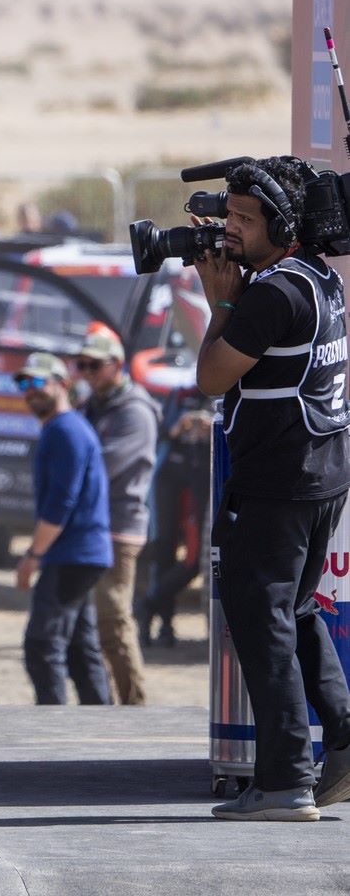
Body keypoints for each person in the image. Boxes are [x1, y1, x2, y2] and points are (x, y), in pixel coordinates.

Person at [194, 156, 350, 822]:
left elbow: (211, 378)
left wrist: (220, 304)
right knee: (298, 612)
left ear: (283, 225)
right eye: (226, 214)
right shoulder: (321, 278)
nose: (228, 231)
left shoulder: (270, 297)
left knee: (263, 622)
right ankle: (343, 735)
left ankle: (285, 779)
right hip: (323, 475)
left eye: (243, 220)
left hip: (278, 483)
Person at [13, 351, 113, 706]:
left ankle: (51, 736)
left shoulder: (65, 430)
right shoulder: (64, 429)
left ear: (63, 385)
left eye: (39, 381)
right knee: (78, 648)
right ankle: (101, 730)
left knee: (42, 647)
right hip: (81, 553)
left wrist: (32, 556)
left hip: (73, 554)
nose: (30, 389)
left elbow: (61, 503)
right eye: (24, 383)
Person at [76, 326, 157, 705]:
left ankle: (134, 704)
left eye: (94, 365)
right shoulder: (93, 406)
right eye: (82, 365)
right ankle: (105, 703)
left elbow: (97, 467)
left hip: (119, 528)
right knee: (91, 624)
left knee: (113, 619)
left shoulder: (135, 412)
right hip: (93, 527)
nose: (87, 372)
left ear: (117, 365)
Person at [139, 389, 211, 647]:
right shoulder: (180, 394)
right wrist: (177, 427)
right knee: (163, 551)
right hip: (169, 480)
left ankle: (148, 603)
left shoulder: (229, 392)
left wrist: (211, 429)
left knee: (195, 561)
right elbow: (159, 432)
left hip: (202, 483)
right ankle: (163, 625)